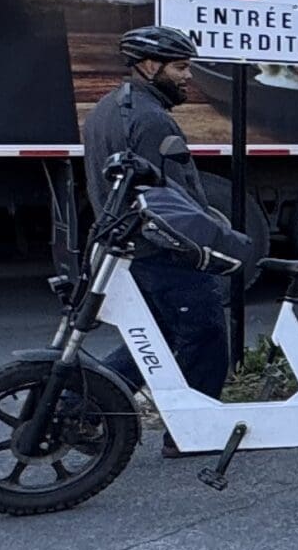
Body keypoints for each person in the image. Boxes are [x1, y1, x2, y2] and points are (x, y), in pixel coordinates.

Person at [81, 26, 255, 398]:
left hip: (129, 244)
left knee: (154, 337)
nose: (188, 76)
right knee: (205, 334)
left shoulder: (107, 108)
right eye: (179, 68)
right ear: (148, 66)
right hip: (161, 251)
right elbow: (167, 201)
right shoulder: (150, 120)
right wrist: (200, 251)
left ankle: (85, 405)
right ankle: (198, 425)